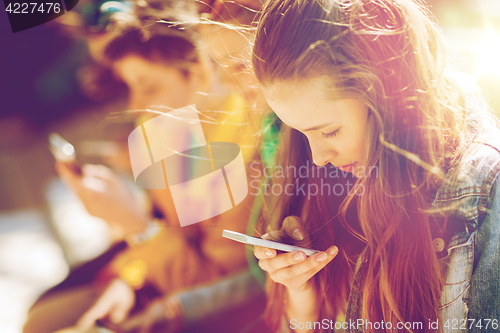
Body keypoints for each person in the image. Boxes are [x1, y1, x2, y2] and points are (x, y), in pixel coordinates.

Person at [250, 0, 500, 332]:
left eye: (330, 131)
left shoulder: (482, 194)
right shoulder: (330, 181)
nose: (318, 157)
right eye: (300, 134)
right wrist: (303, 295)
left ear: (390, 93)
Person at [23, 1, 264, 333]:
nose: (136, 105)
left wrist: (136, 226)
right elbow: (171, 228)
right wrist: (126, 279)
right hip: (157, 273)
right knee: (42, 317)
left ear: (200, 73)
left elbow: (213, 286)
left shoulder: (244, 159)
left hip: (194, 304)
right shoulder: (167, 131)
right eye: (131, 87)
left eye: (148, 88)